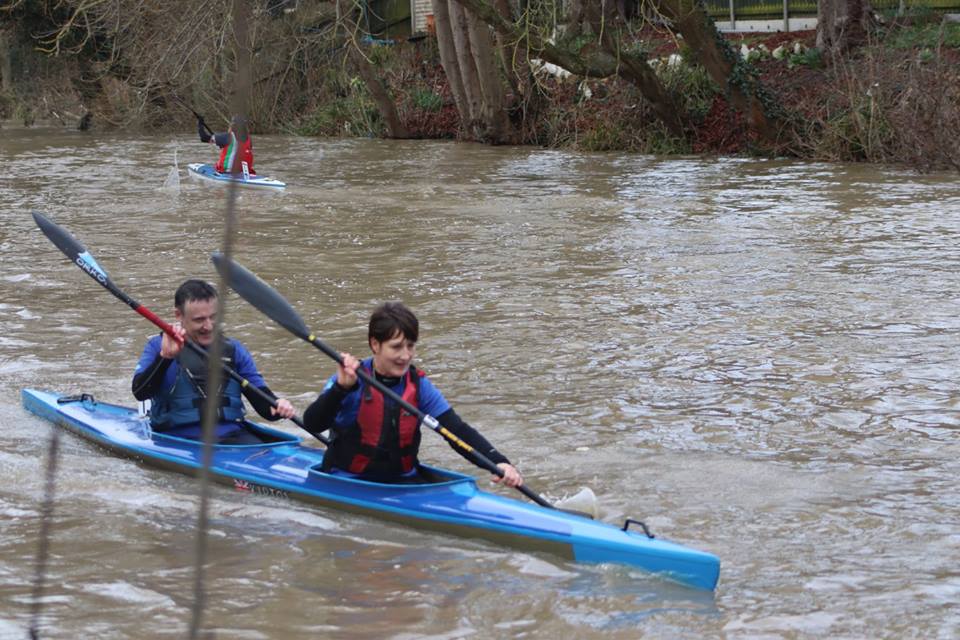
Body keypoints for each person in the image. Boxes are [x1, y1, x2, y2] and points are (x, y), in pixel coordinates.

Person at [303, 302, 524, 486]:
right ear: (375, 344)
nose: (405, 355)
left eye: (410, 346)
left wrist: (498, 462)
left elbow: (456, 430)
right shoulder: (350, 378)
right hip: (348, 480)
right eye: (397, 347)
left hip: (403, 480)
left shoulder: (418, 385)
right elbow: (312, 423)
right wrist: (341, 389)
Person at [132, 279, 295, 444]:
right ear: (178, 315)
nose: (208, 326)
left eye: (213, 317)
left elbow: (263, 405)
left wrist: (278, 405)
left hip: (233, 438)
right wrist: (165, 357)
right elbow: (140, 392)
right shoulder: (157, 346)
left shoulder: (234, 350)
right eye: (199, 320)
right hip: (178, 439)